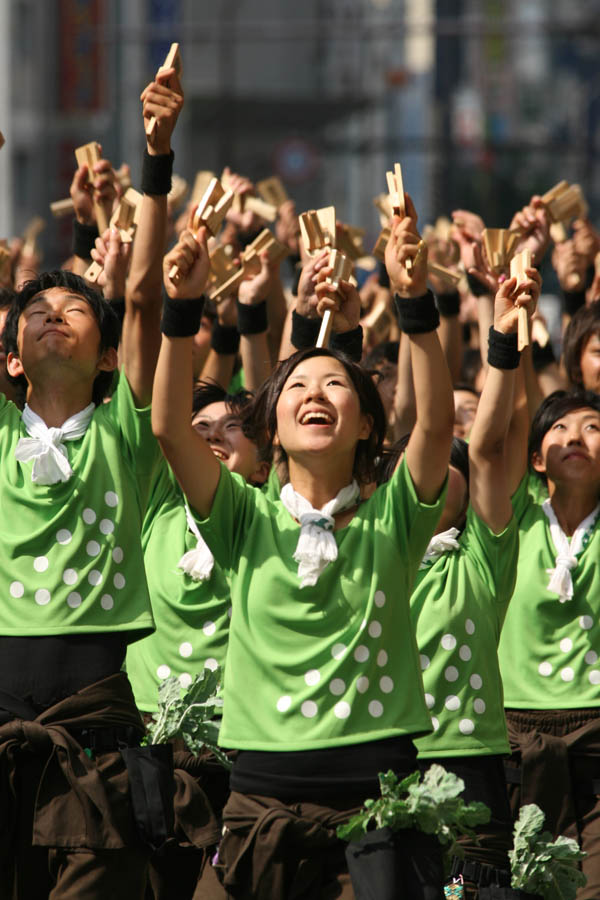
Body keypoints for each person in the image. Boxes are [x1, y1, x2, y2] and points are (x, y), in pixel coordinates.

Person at [150, 196, 454, 898]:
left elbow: (435, 428)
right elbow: (168, 425)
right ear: (271, 432)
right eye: (298, 387)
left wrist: (414, 302)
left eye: (336, 384)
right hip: (257, 806)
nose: (316, 393)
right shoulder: (242, 519)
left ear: (368, 428)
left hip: (378, 808)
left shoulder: (394, 520)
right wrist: (182, 306)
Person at [0, 61, 183, 898]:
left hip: (98, 711)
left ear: (107, 356)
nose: (50, 313)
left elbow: (141, 295)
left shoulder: (123, 431)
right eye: (34, 308)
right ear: (11, 354)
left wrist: (156, 154)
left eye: (74, 309)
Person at [409, 269, 540, 899]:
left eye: (447, 467)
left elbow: (487, 445)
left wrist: (503, 337)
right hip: (377, 762)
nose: (435, 474)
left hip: (470, 770)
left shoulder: (483, 560)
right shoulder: (368, 550)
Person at [498, 386, 600, 900]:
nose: (576, 437)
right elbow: (513, 417)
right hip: (511, 741)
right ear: (536, 458)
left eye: (593, 427)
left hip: (595, 739)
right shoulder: (513, 517)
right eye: (559, 427)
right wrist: (515, 332)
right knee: (465, 886)